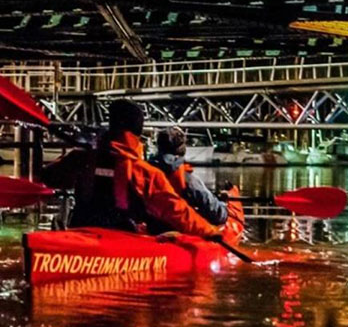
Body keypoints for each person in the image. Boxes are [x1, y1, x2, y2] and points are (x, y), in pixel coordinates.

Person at [41, 100, 220, 237]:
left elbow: (46, 177)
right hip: (121, 239)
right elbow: (176, 211)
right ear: (138, 131)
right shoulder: (143, 172)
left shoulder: (80, 158)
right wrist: (210, 231)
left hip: (80, 230)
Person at [148, 126, 228, 228]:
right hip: (180, 230)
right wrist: (224, 205)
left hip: (153, 227)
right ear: (182, 150)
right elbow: (217, 214)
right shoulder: (189, 180)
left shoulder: (146, 172)